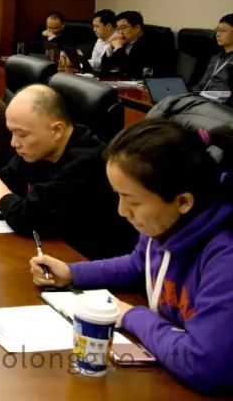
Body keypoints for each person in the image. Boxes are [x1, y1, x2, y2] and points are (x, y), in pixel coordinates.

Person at [29, 120, 233, 395]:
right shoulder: (166, 225)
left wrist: (131, 315)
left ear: (183, 201)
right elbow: (140, 263)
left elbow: (203, 364)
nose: (122, 211)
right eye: (118, 196)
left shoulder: (224, 257)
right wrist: (72, 273)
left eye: (133, 201)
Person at [0, 85, 137, 259]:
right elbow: (8, 175)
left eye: (22, 134)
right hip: (50, 251)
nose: (14, 143)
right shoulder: (42, 148)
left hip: (88, 264)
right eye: (12, 133)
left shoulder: (88, 162)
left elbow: (28, 218)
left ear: (56, 130)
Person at [102, 10, 164, 78]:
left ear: (137, 27)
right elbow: (104, 68)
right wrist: (110, 48)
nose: (120, 32)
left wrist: (118, 48)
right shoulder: (124, 41)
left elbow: (133, 71)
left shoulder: (150, 42)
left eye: (123, 28)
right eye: (118, 29)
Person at [192, 13, 233, 93]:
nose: (218, 34)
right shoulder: (216, 57)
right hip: (202, 96)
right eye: (217, 30)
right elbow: (202, 84)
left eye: (223, 30)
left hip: (221, 99)